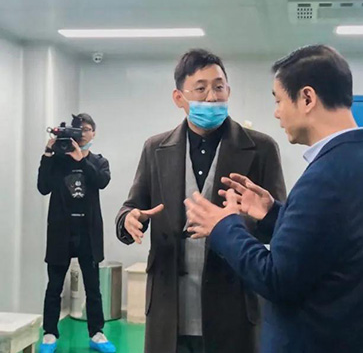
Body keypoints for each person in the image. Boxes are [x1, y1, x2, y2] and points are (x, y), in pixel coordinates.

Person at [184, 45, 363, 353]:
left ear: (307, 98)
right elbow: (327, 245)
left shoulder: (326, 176)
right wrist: (273, 214)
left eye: (278, 100)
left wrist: (224, 226)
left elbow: (276, 279)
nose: (276, 112)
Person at [115, 49, 285, 353]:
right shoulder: (155, 149)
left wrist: (242, 222)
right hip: (169, 307)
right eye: (201, 88)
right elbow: (132, 206)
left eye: (219, 87)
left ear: (229, 90)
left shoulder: (261, 149)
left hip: (233, 305)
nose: (211, 97)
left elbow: (279, 226)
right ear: (179, 97)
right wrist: (128, 219)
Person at [38, 113, 115, 353]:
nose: (82, 134)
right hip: (60, 232)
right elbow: (43, 187)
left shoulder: (99, 161)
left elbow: (101, 181)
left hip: (88, 232)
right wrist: (48, 153)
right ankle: (50, 333)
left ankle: (97, 333)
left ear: (94, 133)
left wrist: (82, 160)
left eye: (87, 129)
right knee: (54, 286)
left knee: (93, 287)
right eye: (78, 129)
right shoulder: (58, 161)